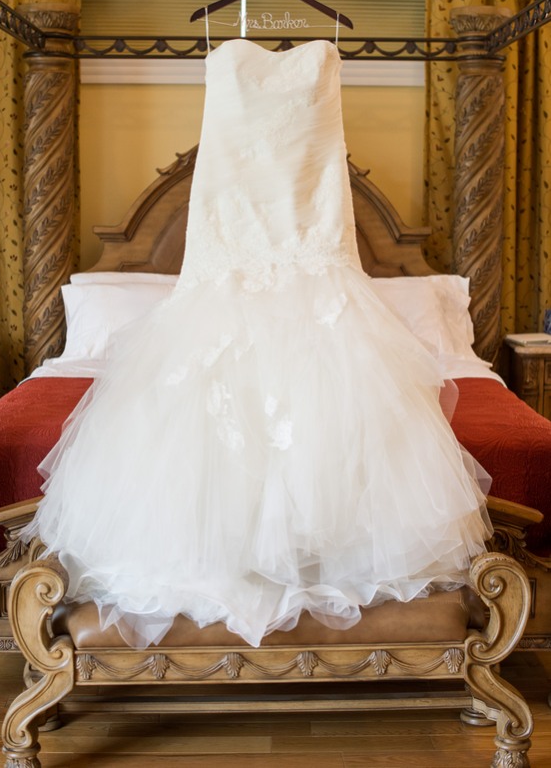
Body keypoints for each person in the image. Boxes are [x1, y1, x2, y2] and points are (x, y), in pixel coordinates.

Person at [24, 38, 491, 649]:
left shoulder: (304, 48)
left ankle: (324, 556)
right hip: (227, 240)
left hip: (317, 239)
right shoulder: (236, 38)